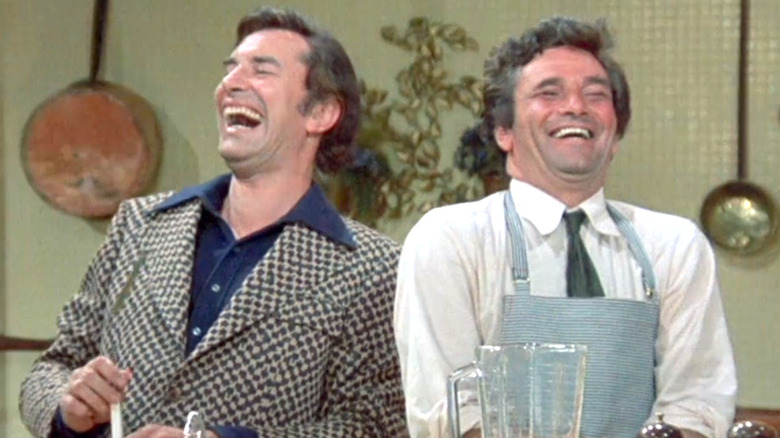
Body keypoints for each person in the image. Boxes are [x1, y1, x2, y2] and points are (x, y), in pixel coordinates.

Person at [20, 6, 407, 438]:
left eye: (261, 70)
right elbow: (51, 368)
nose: (230, 84)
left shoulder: (372, 269)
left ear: (320, 113)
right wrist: (68, 407)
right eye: (231, 69)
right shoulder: (140, 224)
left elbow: (373, 425)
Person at [394, 16, 736, 438]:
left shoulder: (675, 245)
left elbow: (697, 403)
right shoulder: (451, 239)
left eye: (596, 94)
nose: (575, 107)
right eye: (548, 93)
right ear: (503, 131)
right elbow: (449, 412)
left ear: (616, 134)